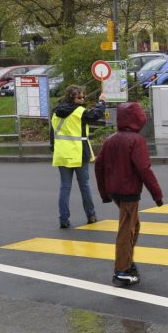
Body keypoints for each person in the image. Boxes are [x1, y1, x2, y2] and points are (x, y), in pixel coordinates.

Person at [95, 102, 164, 287]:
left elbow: (98, 166)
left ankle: (127, 262)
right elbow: (144, 168)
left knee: (134, 225)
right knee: (127, 229)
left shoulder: (111, 139)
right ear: (138, 119)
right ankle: (122, 270)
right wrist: (157, 195)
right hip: (129, 191)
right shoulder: (136, 140)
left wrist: (104, 193)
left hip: (115, 191)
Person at [51, 85, 107, 229]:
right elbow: (95, 115)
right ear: (72, 97)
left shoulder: (56, 112)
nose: (82, 100)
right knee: (85, 186)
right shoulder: (79, 111)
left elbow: (52, 135)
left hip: (62, 154)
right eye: (79, 97)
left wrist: (53, 149)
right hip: (79, 153)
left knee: (65, 187)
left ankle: (63, 220)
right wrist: (102, 103)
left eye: (83, 97)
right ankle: (91, 215)